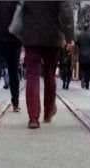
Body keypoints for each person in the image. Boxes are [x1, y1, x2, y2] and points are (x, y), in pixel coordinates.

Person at [19, 1, 75, 129]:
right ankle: (48, 111)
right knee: (50, 74)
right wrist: (69, 38)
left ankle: (33, 118)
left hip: (31, 36)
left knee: (32, 75)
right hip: (52, 36)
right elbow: (66, 12)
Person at [75, 24, 90, 90]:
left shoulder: (79, 35)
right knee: (88, 70)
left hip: (81, 55)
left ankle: (82, 77)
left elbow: (76, 44)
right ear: (88, 28)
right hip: (89, 55)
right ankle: (87, 83)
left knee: (82, 68)